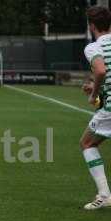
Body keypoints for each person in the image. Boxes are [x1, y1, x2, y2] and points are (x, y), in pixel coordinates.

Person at [80, 6, 111, 210]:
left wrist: (93, 94)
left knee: (87, 143)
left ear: (92, 26)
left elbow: (100, 70)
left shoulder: (93, 47)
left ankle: (104, 194)